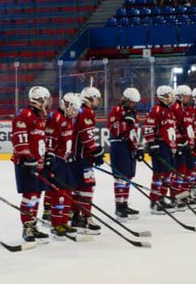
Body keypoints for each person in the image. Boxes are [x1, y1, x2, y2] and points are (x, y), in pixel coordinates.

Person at [11, 86, 51, 244]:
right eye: (46, 99)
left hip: (38, 163)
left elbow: (40, 142)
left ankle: (33, 225)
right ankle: (27, 227)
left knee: (37, 195)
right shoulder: (24, 115)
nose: (48, 102)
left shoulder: (39, 117)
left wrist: (46, 157)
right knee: (30, 195)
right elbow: (19, 139)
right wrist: (27, 157)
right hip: (26, 164)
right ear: (40, 100)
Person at [42, 92, 81, 239]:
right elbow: (50, 140)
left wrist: (69, 153)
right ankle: (56, 223)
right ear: (65, 105)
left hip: (65, 160)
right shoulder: (56, 118)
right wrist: (50, 156)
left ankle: (64, 221)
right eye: (72, 108)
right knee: (59, 192)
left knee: (68, 191)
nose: (74, 112)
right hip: (57, 161)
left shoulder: (68, 119)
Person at [72, 86, 105, 234]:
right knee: (87, 186)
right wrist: (95, 151)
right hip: (81, 157)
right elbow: (87, 137)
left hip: (77, 157)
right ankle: (85, 217)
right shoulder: (86, 112)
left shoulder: (80, 110)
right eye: (97, 98)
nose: (98, 101)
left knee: (79, 187)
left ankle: (76, 217)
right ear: (90, 98)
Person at [107, 87, 143, 220]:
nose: (133, 105)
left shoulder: (134, 113)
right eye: (132, 102)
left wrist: (138, 148)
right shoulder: (116, 110)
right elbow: (111, 127)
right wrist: (125, 124)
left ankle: (124, 204)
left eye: (135, 103)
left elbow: (135, 132)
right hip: (119, 145)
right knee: (120, 177)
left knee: (128, 177)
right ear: (126, 100)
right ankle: (119, 207)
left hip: (129, 147)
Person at [143, 86, 178, 214]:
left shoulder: (168, 111)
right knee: (159, 175)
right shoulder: (156, 109)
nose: (173, 98)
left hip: (168, 147)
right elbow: (148, 127)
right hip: (160, 145)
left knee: (168, 174)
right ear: (165, 95)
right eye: (171, 95)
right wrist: (152, 143)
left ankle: (162, 198)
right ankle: (155, 201)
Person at [170, 85, 196, 209]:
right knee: (180, 170)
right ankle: (176, 196)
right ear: (180, 96)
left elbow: (189, 125)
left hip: (186, 143)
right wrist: (177, 142)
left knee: (189, 168)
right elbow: (172, 127)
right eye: (186, 96)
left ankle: (184, 193)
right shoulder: (175, 108)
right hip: (179, 144)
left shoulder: (188, 109)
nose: (189, 98)